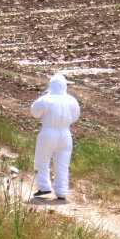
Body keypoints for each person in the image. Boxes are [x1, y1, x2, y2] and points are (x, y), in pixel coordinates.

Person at [31, 73, 80, 201]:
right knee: (63, 164)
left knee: (41, 160)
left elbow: (35, 113)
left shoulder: (46, 99)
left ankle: (44, 186)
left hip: (48, 132)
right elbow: (75, 116)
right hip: (65, 133)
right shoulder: (71, 100)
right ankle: (62, 192)